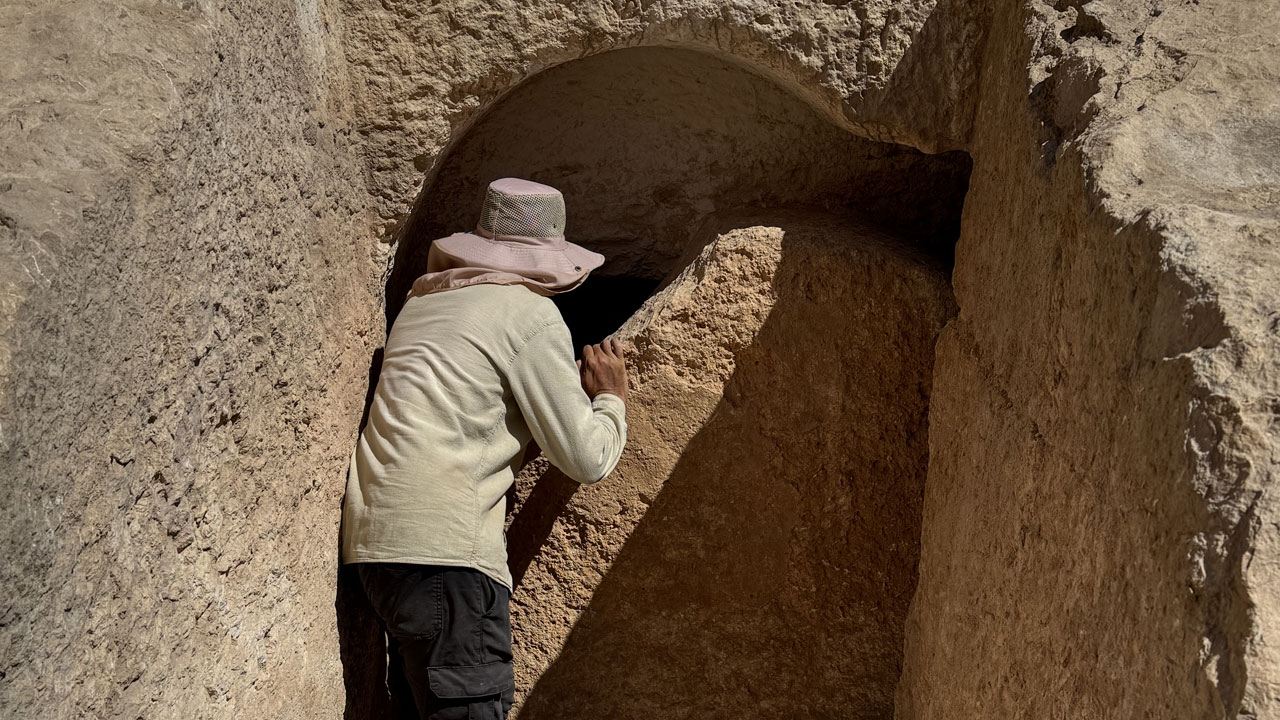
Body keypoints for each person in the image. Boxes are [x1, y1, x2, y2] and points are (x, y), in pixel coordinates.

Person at [341, 177, 629, 720]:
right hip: (448, 560)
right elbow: (586, 458)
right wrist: (610, 398)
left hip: (377, 551)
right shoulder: (529, 313)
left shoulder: (423, 301)